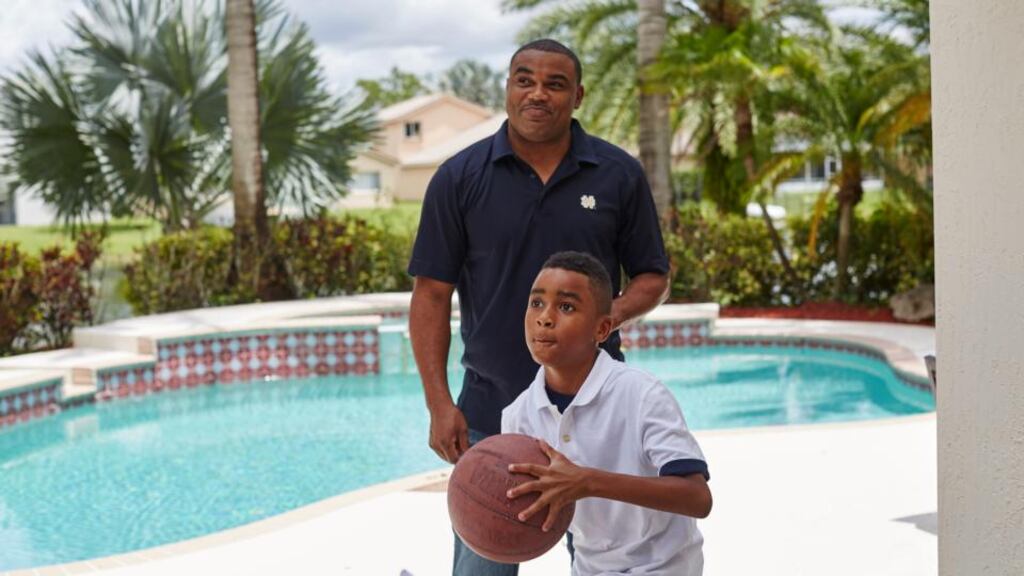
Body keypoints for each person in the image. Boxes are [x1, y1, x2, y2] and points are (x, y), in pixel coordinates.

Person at [407, 38, 671, 575]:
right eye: (524, 80)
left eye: (555, 84)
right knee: (482, 565)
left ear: (578, 97)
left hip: (595, 414)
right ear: (507, 88)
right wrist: (438, 403)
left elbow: (653, 276)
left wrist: (607, 317)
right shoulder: (459, 178)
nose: (537, 94)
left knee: (609, 564)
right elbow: (431, 294)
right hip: (491, 412)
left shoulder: (618, 174)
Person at [502, 251, 712, 576]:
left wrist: (588, 481)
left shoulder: (642, 395)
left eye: (566, 307)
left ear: (602, 329)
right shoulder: (518, 416)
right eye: (536, 303)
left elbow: (697, 498)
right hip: (590, 569)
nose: (545, 318)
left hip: (664, 568)